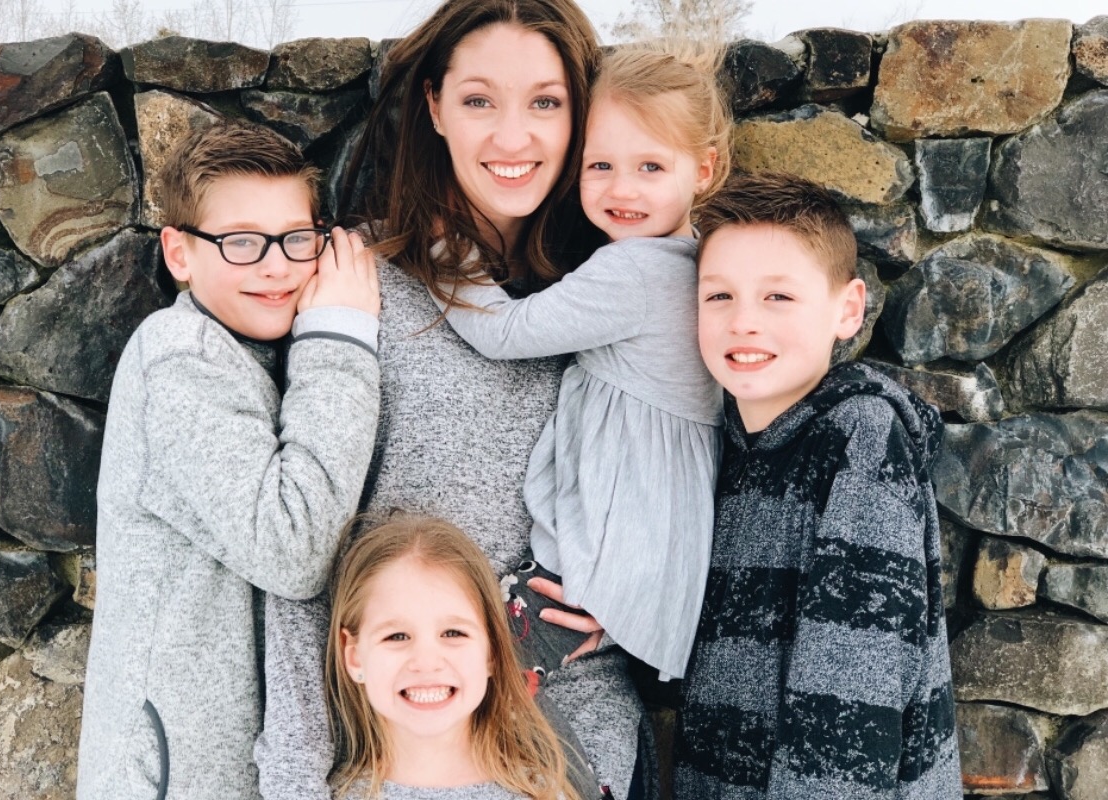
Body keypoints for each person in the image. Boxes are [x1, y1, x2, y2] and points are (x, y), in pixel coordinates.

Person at [258, 2, 653, 799]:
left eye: (545, 102)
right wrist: (296, 778)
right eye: (479, 100)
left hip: (574, 744)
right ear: (435, 107)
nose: (513, 137)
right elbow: (301, 556)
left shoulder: (622, 286)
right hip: (401, 753)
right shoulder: (360, 284)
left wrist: (638, 592)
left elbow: (679, 474)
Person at [77, 122, 381, 800]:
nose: (276, 266)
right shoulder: (179, 355)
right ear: (179, 253)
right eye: (241, 242)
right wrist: (341, 337)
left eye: (296, 239)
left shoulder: (251, 349)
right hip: (179, 774)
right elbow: (294, 550)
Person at [429, 39, 730, 684]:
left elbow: (504, 332)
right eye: (600, 165)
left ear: (704, 169)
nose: (623, 189)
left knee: (475, 682)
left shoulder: (633, 271)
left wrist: (444, 249)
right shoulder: (696, 261)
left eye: (651, 167)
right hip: (647, 553)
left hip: (590, 555)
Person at [674, 172, 962, 798]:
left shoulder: (861, 438)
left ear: (848, 310)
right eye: (719, 295)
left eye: (778, 296)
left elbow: (853, 694)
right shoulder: (726, 444)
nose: (743, 321)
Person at [326, 514, 576, 800]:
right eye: (396, 636)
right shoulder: (325, 793)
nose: (426, 662)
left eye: (453, 633)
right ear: (355, 658)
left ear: (492, 651)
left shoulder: (544, 793)